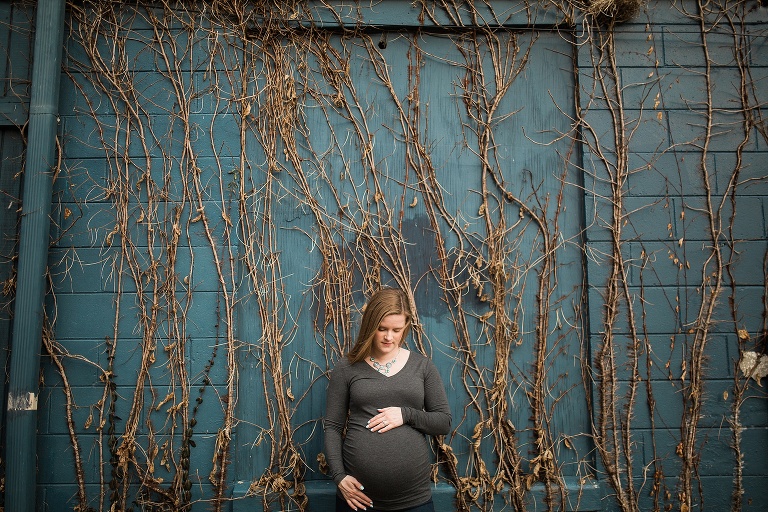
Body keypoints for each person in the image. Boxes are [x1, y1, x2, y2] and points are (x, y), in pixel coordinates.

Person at [323, 287, 452, 512]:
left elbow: (443, 422)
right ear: (370, 325)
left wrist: (406, 414)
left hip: (414, 500)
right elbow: (333, 427)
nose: (388, 337)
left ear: (406, 327)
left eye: (396, 329)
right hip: (357, 499)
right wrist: (339, 477)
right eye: (381, 328)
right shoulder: (347, 367)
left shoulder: (422, 366)